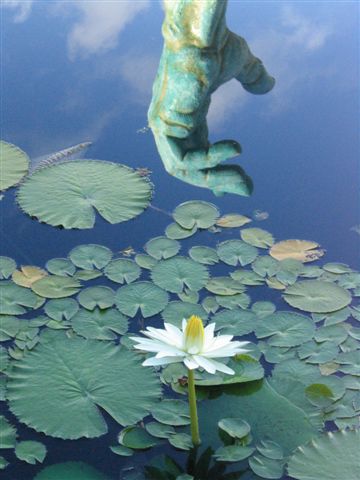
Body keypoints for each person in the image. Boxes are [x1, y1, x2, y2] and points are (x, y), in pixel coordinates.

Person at [148, 0, 275, 196]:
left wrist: (169, 119)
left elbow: (262, 85)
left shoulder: (231, 52)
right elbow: (262, 85)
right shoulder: (234, 52)